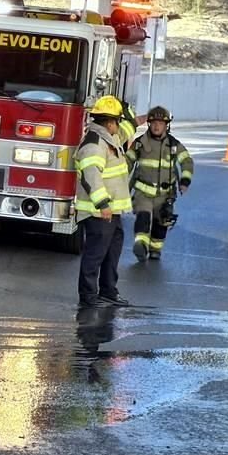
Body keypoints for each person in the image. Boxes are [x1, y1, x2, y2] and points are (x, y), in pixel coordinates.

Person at [75, 95, 133, 308]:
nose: (119, 124)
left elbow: (130, 127)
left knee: (111, 254)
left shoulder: (110, 138)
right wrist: (103, 204)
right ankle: (88, 298)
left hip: (111, 212)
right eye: (118, 120)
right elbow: (91, 175)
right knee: (95, 256)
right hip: (98, 212)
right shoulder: (95, 143)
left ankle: (108, 291)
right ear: (110, 123)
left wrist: (130, 114)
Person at [126, 106, 194, 261]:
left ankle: (155, 249)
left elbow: (187, 161)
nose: (156, 126)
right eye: (153, 123)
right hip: (143, 193)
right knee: (143, 217)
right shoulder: (140, 143)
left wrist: (185, 181)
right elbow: (127, 161)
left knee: (160, 223)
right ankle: (140, 245)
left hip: (165, 195)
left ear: (166, 125)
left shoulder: (174, 145)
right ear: (149, 124)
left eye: (160, 123)